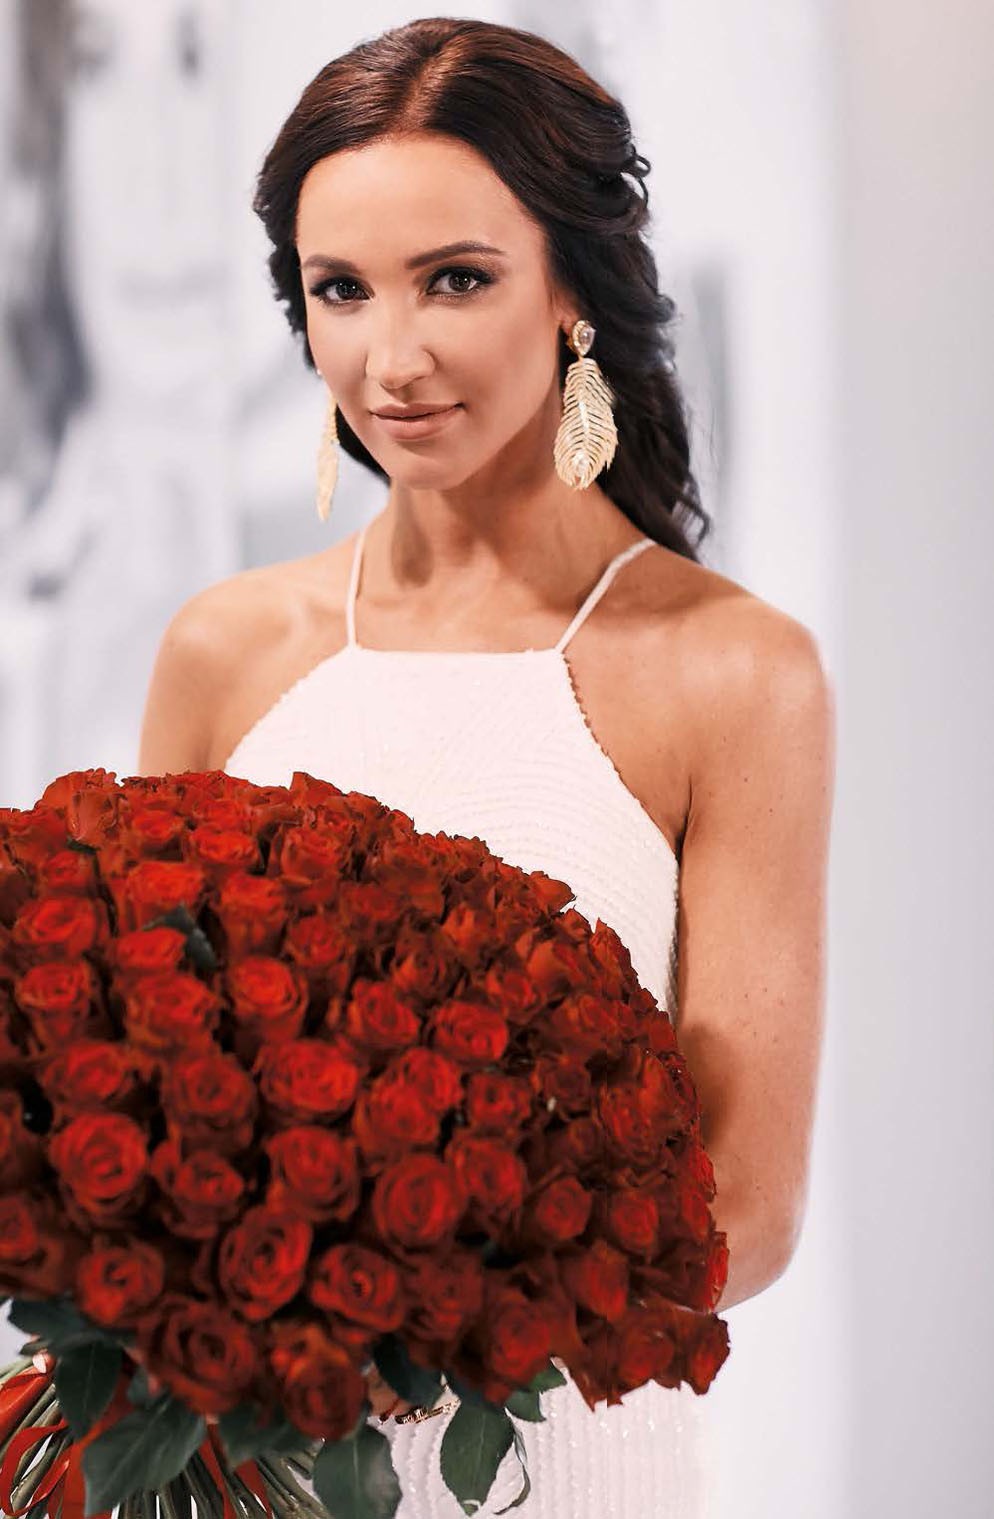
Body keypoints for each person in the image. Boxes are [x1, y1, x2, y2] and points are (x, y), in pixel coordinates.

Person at [138, 18, 835, 1518]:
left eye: (455, 279)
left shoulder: (733, 671)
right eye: (341, 289)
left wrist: (414, 1323)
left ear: (572, 286)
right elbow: (144, 1087)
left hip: (558, 1464)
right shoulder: (224, 650)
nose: (390, 359)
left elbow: (749, 1201)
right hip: (248, 1470)